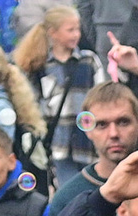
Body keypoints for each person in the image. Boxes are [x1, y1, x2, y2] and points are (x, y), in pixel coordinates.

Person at [14, 5, 97, 189]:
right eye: (70, 30)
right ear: (53, 33)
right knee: (69, 192)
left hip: (89, 140)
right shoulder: (39, 66)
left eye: (78, 29)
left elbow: (101, 95)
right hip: (59, 142)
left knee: (92, 188)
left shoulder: (89, 60)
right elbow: (33, 103)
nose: (76, 34)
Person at [46, 80, 138, 216]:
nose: (113, 133)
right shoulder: (68, 198)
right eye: (102, 124)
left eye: (123, 122)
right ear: (87, 129)